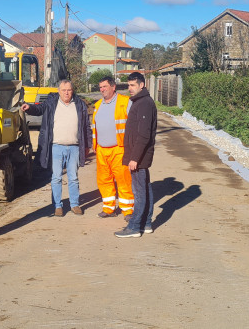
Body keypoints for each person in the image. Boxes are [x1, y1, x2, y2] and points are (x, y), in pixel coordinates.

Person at [21, 79, 91, 217]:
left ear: (73, 91)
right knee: (56, 177)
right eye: (64, 90)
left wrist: (88, 144)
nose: (66, 93)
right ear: (59, 91)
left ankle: (75, 204)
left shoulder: (80, 104)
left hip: (74, 147)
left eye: (69, 90)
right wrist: (29, 107)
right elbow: (39, 108)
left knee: (73, 177)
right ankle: (58, 206)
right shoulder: (52, 103)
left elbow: (86, 127)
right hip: (56, 147)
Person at [115, 72, 157, 238]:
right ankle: (146, 223)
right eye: (128, 85)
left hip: (138, 157)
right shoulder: (139, 102)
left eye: (133, 85)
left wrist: (134, 158)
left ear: (142, 85)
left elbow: (144, 135)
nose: (129, 88)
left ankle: (134, 227)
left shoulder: (144, 104)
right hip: (138, 156)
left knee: (139, 192)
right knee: (145, 188)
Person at [91, 76, 134, 219]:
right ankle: (108, 208)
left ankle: (128, 210)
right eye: (101, 87)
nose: (102, 89)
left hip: (119, 148)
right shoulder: (98, 105)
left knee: (123, 179)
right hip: (101, 149)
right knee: (104, 180)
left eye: (105, 86)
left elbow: (134, 125)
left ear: (113, 87)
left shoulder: (125, 102)